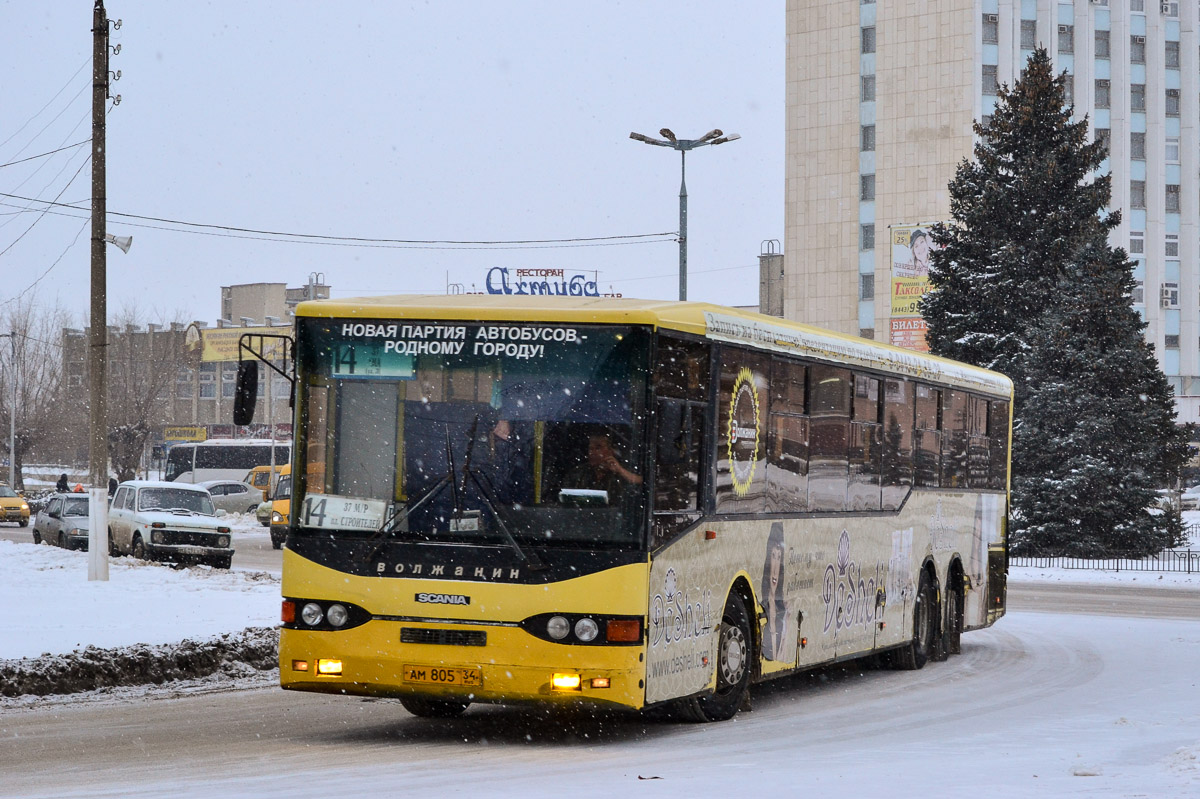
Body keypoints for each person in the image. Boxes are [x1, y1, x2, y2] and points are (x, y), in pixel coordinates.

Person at [562, 432, 641, 502]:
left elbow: (641, 483)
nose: (593, 452)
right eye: (591, 448)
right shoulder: (578, 473)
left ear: (611, 450)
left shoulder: (623, 471)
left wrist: (620, 470)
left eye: (598, 448)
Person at [760, 522, 795, 662]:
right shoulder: (759, 607)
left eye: (779, 558)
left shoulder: (785, 610)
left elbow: (784, 657)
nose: (775, 567)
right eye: (773, 556)